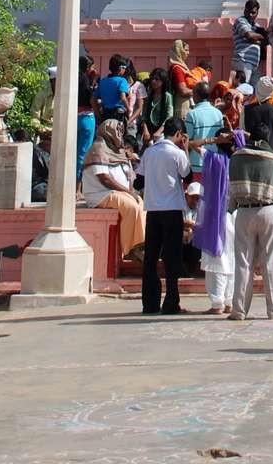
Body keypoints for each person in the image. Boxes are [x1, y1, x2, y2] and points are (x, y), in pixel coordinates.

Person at [137, 117, 193, 315]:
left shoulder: (149, 152)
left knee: (151, 258)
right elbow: (188, 176)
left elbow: (139, 180)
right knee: (172, 259)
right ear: (178, 134)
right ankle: (171, 303)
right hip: (172, 210)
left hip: (153, 210)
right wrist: (185, 149)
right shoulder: (177, 153)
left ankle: (149, 304)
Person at [228, 133, 273, 321]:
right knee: (271, 262)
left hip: (244, 211)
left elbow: (232, 186)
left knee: (243, 263)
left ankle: (239, 310)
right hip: (269, 211)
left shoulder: (236, 157)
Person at [81, 119, 146, 259]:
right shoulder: (98, 148)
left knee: (141, 203)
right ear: (108, 131)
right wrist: (127, 192)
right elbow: (104, 178)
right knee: (130, 207)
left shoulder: (118, 150)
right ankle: (129, 249)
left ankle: (140, 244)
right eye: (117, 131)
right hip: (100, 194)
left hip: (116, 192)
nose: (119, 134)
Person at [192, 141, 237, 316]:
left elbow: (193, 144)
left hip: (216, 217)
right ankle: (229, 301)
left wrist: (213, 140)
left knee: (216, 260)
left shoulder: (214, 159)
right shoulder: (239, 162)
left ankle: (217, 302)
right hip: (235, 215)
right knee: (231, 259)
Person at [183, 80, 226, 173]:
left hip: (196, 164)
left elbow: (187, 142)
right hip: (214, 161)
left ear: (196, 95)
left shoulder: (191, 114)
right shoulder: (218, 113)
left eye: (193, 93)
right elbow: (221, 138)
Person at [243, 76, 273, 155]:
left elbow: (242, 133)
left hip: (250, 155)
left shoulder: (246, 110)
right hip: (272, 155)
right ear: (272, 92)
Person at [231, 0, 267, 86]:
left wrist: (259, 38)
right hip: (243, 60)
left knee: (255, 91)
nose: (250, 15)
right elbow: (249, 35)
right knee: (242, 89)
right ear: (244, 10)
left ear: (257, 13)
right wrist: (261, 36)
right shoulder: (241, 21)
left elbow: (266, 41)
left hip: (254, 63)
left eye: (253, 13)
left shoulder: (256, 26)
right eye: (248, 11)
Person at [138, 67, 174, 144]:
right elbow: (143, 114)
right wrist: (145, 129)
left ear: (163, 81)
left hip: (161, 132)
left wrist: (159, 131)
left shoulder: (167, 96)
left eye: (157, 79)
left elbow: (169, 116)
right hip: (148, 131)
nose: (153, 81)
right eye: (152, 78)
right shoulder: (149, 95)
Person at [93, 53, 131, 121]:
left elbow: (92, 100)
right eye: (124, 67)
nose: (125, 70)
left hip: (105, 114)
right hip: (118, 115)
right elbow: (123, 97)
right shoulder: (122, 81)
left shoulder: (103, 81)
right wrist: (129, 110)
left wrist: (98, 115)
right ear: (120, 68)